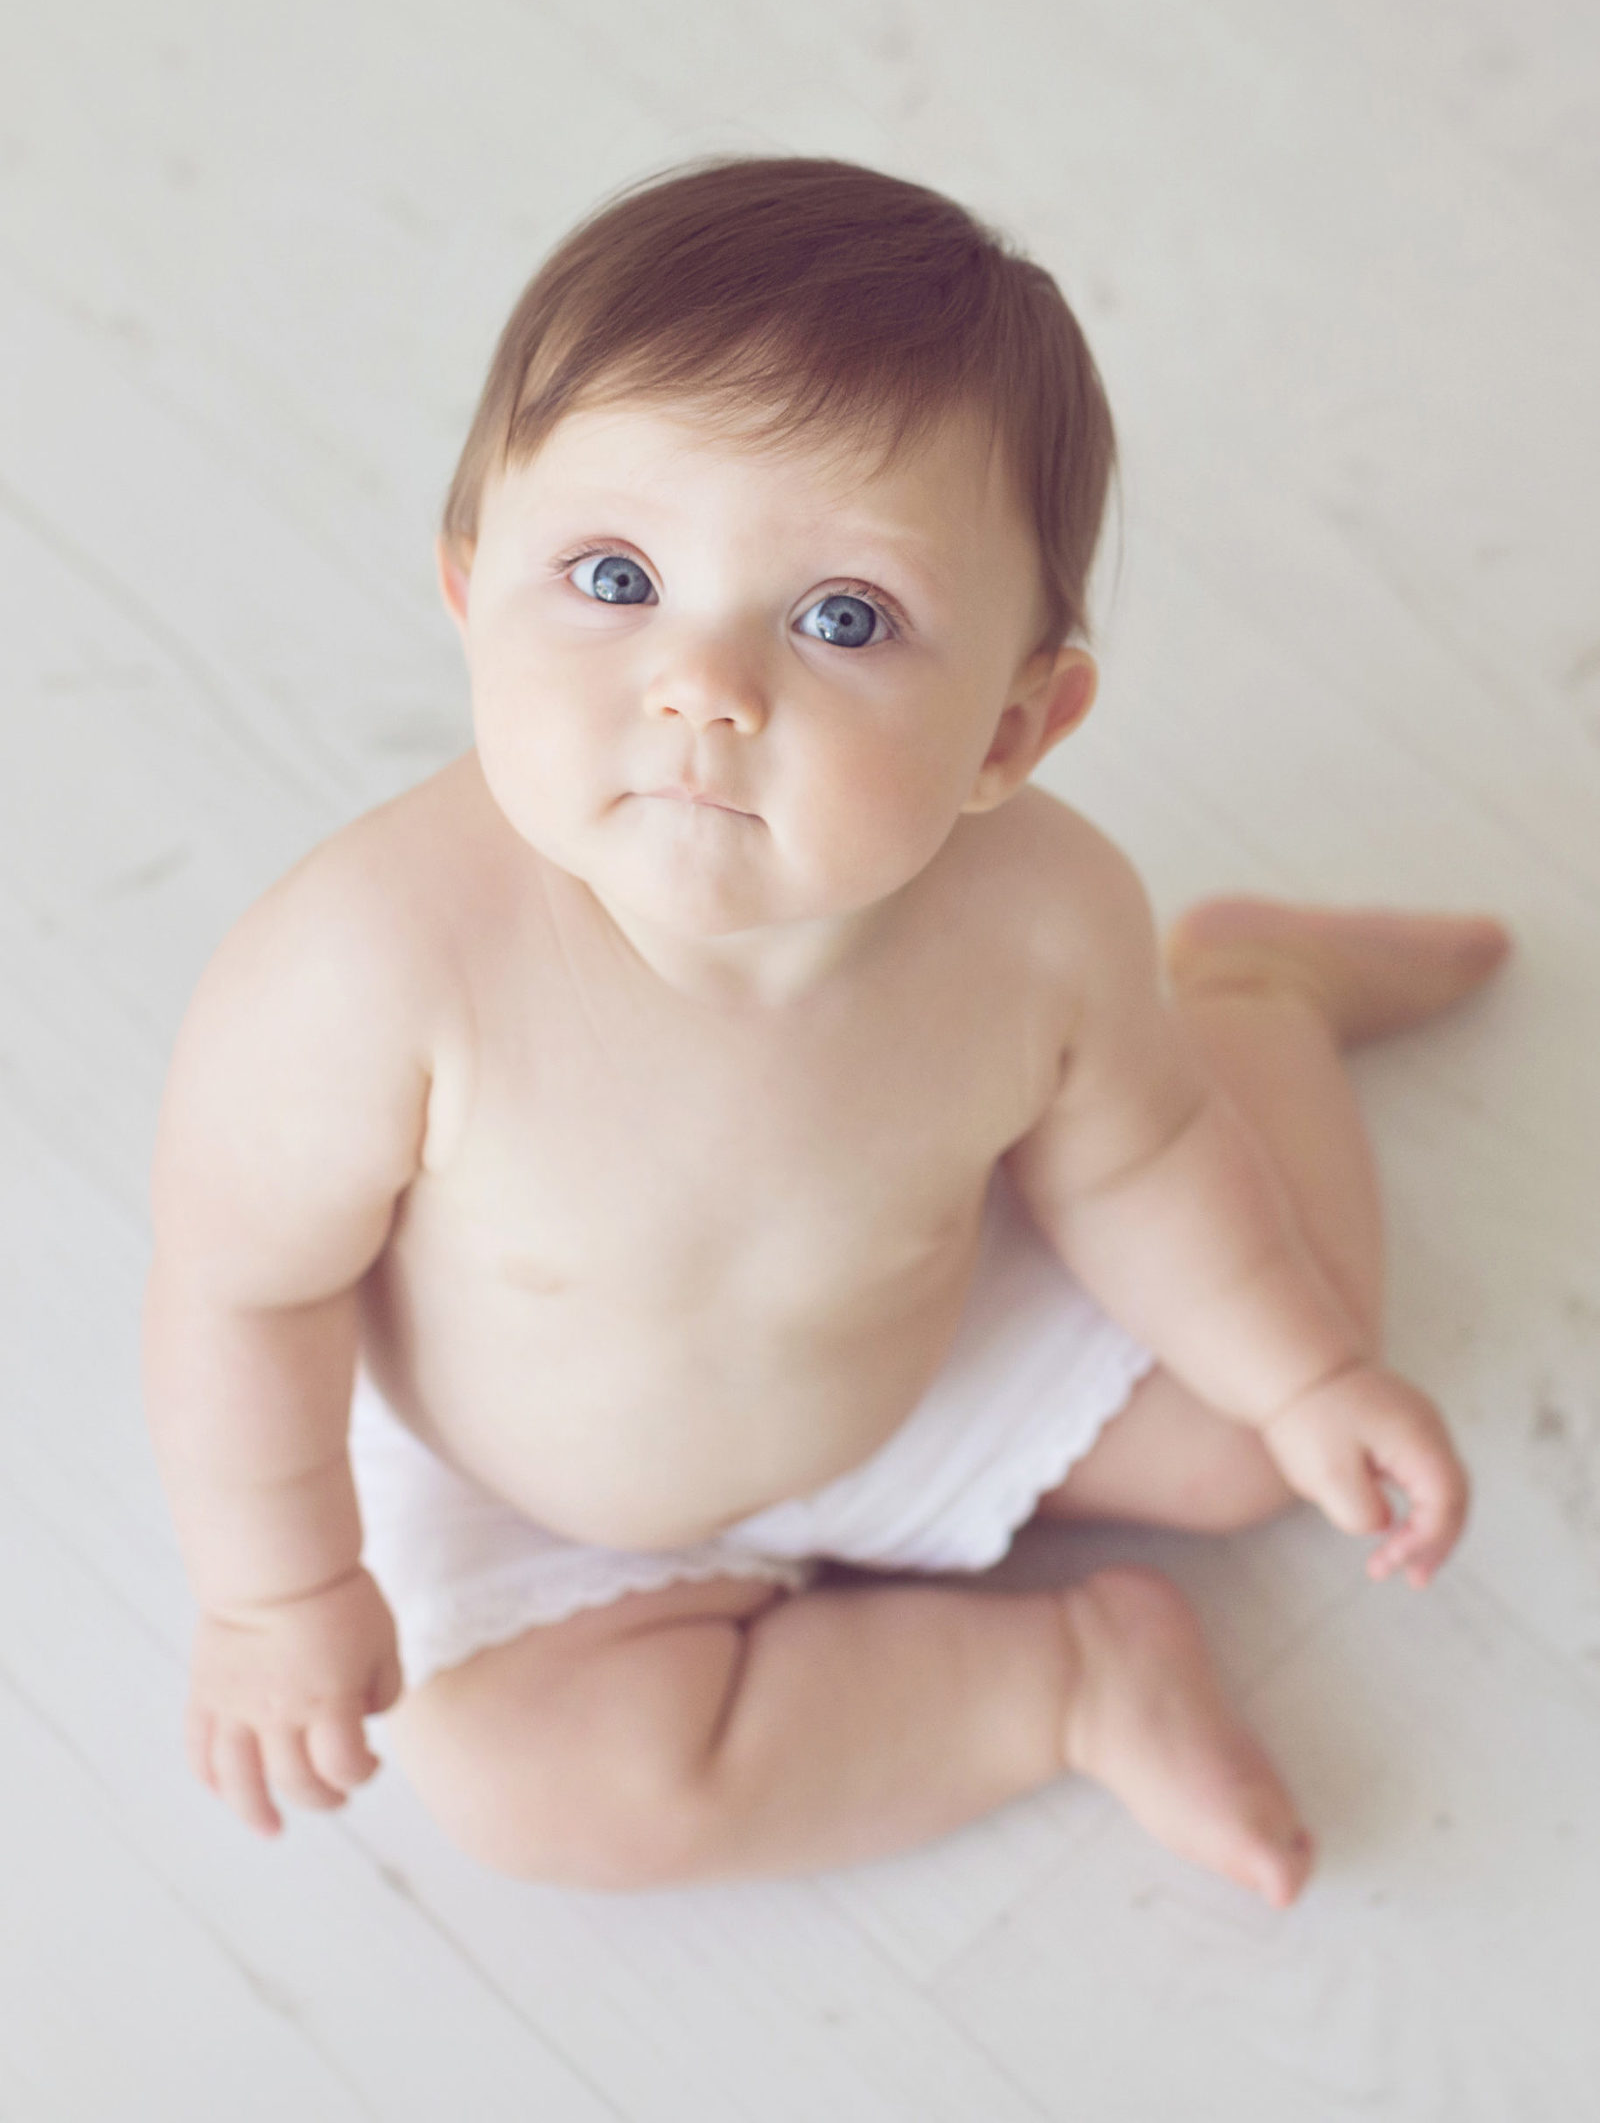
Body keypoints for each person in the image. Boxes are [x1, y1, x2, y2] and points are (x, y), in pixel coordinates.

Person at [142, 156, 1509, 1908]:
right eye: (617, 576)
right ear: (474, 589)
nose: (704, 682)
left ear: (1016, 726)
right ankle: (1069, 1677)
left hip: (918, 1361)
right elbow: (242, 1288)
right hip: (530, 1482)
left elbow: (1147, 1158)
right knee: (541, 1786)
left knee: (1265, 1435)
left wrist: (1304, 1374)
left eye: (842, 618)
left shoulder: (1037, 922)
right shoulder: (369, 967)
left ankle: (1254, 994)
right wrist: (277, 1593)